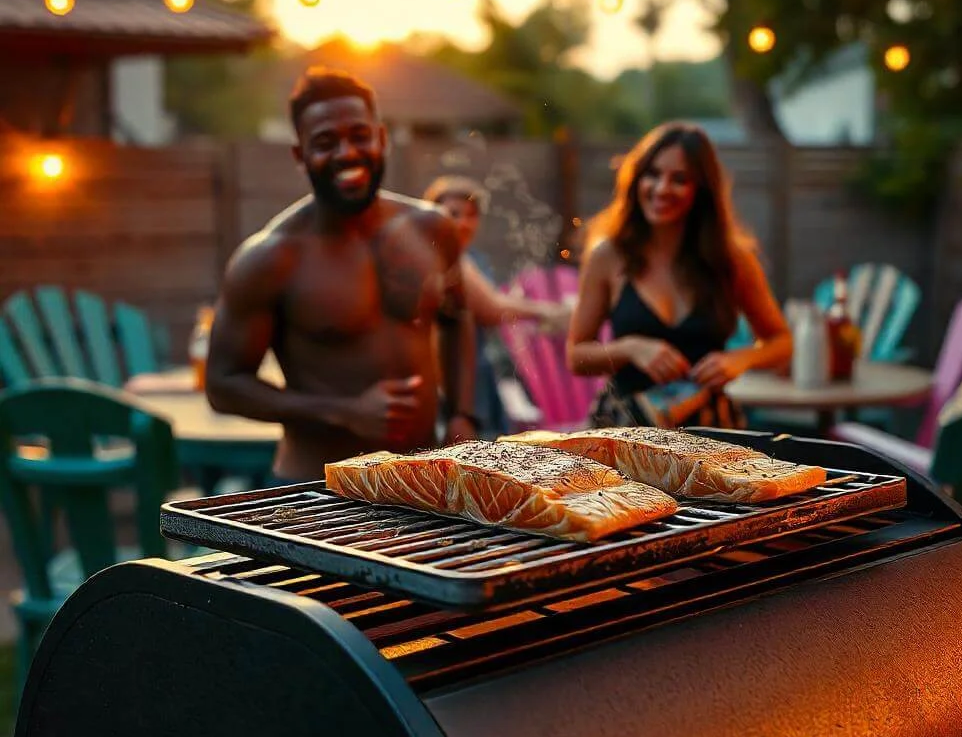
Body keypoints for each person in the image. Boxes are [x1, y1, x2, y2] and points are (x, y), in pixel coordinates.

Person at [205, 67, 477, 481]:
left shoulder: (433, 229)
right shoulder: (271, 258)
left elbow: (457, 319)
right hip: (317, 490)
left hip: (423, 484)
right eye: (325, 143)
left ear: (381, 138)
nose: (347, 153)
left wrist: (461, 414)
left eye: (359, 136)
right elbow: (223, 385)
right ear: (300, 156)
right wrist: (344, 413)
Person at [567, 121, 791, 428]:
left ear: (701, 190)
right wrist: (632, 348)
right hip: (625, 430)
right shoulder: (608, 255)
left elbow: (782, 341)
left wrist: (741, 360)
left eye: (679, 179)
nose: (661, 189)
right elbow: (576, 356)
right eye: (653, 174)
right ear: (636, 179)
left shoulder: (732, 260)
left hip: (712, 431)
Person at [421, 175, 573, 333]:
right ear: (432, 216)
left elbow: (489, 300)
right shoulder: (438, 255)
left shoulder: (473, 257)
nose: (464, 223)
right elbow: (491, 309)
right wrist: (547, 312)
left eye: (471, 215)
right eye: (454, 214)